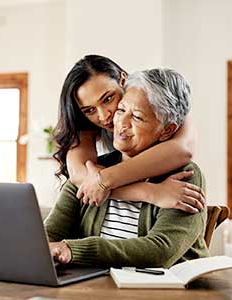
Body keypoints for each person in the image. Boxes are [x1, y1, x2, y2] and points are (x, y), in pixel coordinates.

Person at [45, 68, 209, 268]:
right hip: (97, 288)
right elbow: (48, 236)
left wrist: (73, 250)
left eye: (137, 117)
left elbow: (160, 252)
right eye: (121, 110)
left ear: (167, 131)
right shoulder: (93, 172)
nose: (120, 123)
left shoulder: (186, 175)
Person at [53, 55, 204, 213]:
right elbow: (81, 176)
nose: (104, 116)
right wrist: (150, 192)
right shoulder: (85, 126)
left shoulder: (161, 102)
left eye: (108, 99)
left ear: (123, 80)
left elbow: (182, 149)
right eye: (90, 110)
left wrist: (104, 180)